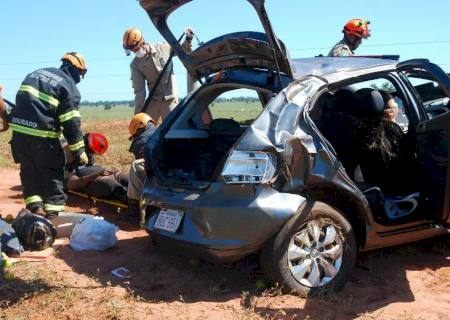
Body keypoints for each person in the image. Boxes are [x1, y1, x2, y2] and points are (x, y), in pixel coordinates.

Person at [9, 53, 88, 219]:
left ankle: (35, 209)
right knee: (52, 172)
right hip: (42, 135)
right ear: (75, 68)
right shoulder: (69, 86)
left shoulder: (37, 73)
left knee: (29, 171)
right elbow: (71, 123)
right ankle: (53, 215)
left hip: (19, 133)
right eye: (81, 73)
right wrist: (79, 151)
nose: (80, 77)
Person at [123, 27, 195, 121]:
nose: (135, 52)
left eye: (136, 49)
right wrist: (137, 117)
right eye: (132, 51)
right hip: (153, 101)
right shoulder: (135, 65)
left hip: (170, 100)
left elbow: (183, 49)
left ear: (142, 42)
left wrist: (188, 38)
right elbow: (139, 92)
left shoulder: (162, 47)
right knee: (144, 130)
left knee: (172, 131)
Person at [64, 132, 129, 204]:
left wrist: (110, 170)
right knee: (116, 188)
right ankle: (134, 203)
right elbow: (73, 184)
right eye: (91, 152)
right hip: (97, 180)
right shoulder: (68, 162)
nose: (92, 154)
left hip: (110, 175)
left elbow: (90, 166)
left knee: (130, 180)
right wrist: (97, 174)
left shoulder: (86, 157)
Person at [125, 113, 157, 220]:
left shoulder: (141, 140)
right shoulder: (157, 131)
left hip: (157, 173)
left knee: (136, 166)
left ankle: (134, 210)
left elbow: (144, 166)